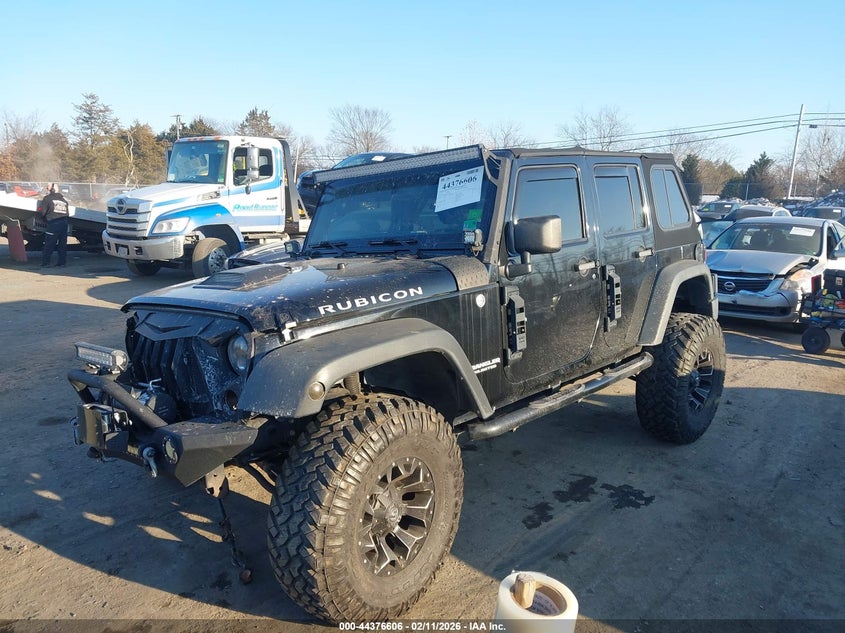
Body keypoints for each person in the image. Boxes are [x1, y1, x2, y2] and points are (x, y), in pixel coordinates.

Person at [40, 183, 70, 268]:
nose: (47, 188)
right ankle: (62, 263)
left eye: (48, 187)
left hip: (53, 223)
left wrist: (44, 220)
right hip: (64, 223)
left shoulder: (47, 198)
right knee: (62, 244)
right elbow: (67, 213)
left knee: (49, 244)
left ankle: (45, 263)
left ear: (52, 189)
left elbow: (43, 213)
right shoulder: (64, 201)